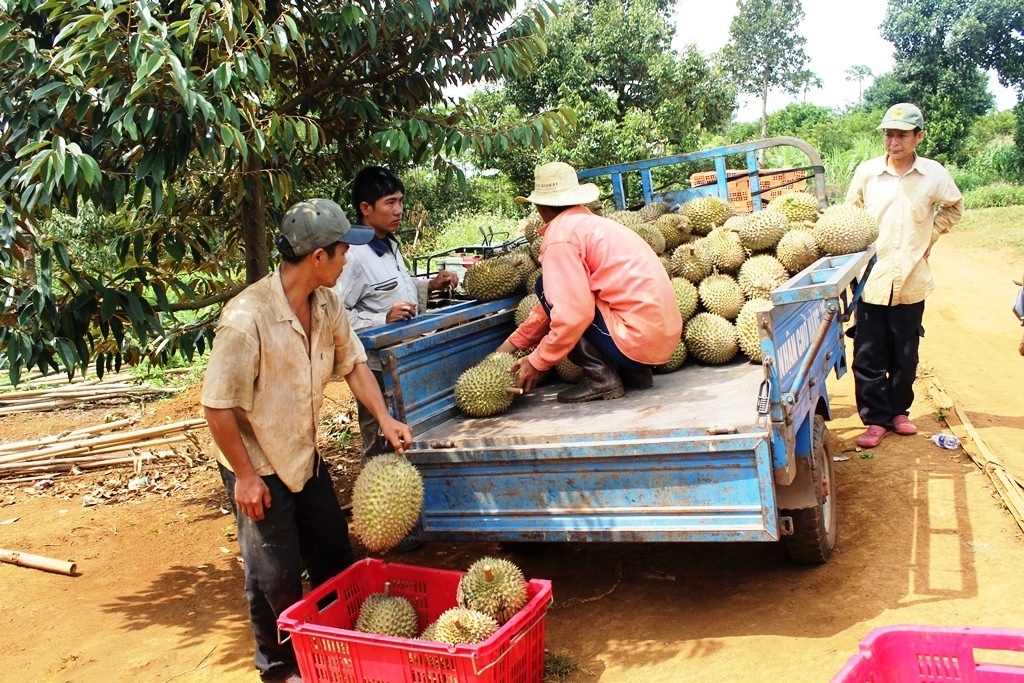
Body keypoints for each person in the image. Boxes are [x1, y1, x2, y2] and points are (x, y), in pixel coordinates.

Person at [201, 198, 413, 683]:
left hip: (303, 454)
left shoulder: (328, 303)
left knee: (333, 552)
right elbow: (217, 406)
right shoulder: (246, 319)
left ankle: (332, 645)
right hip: (255, 460)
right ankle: (278, 667)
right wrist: (247, 477)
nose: (348, 260)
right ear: (319, 256)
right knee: (272, 573)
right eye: (343, 252)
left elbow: (354, 364)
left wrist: (383, 418)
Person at [495, 161, 682, 402]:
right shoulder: (598, 225)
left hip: (635, 342)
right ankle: (635, 375)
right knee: (575, 293)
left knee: (545, 287)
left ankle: (601, 379)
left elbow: (572, 313)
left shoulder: (561, 237)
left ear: (540, 206)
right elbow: (562, 300)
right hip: (661, 341)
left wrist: (537, 360)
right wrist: (514, 343)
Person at [846, 103, 964, 448]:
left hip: (912, 279)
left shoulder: (933, 175)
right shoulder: (868, 173)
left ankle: (899, 413)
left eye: (901, 135)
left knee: (905, 353)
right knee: (868, 355)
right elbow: (849, 215)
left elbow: (954, 206)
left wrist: (931, 235)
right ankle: (875, 420)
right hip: (872, 279)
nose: (893, 141)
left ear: (918, 137)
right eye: (888, 134)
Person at [333, 166, 458, 461]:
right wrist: (380, 321)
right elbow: (332, 316)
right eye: (390, 202)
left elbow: (395, 292)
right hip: (374, 369)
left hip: (406, 357)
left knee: (408, 433)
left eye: (400, 201)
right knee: (380, 440)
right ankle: (374, 502)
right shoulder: (352, 256)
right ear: (365, 208)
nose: (399, 210)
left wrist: (430, 287)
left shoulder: (389, 244)